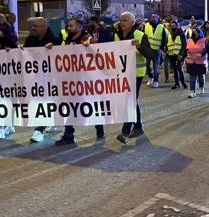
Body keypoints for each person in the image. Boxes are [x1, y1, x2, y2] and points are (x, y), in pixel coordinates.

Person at [56, 18, 106, 145]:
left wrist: (89, 48)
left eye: (71, 25)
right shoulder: (67, 40)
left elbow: (99, 54)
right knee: (71, 107)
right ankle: (68, 135)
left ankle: (99, 129)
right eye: (68, 25)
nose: (68, 28)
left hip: (86, 81)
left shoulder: (88, 39)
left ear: (79, 26)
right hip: (71, 81)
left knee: (91, 105)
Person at [115, 11, 153, 144]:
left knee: (129, 101)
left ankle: (125, 132)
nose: (122, 22)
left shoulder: (140, 35)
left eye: (125, 20)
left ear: (132, 22)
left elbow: (150, 54)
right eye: (121, 20)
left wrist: (139, 47)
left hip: (136, 74)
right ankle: (138, 127)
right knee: (131, 100)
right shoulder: (117, 35)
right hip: (122, 74)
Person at [25, 17, 63, 143]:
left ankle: (39, 129)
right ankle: (43, 126)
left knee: (47, 101)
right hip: (36, 78)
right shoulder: (30, 39)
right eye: (33, 26)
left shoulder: (55, 40)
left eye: (36, 26)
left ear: (44, 27)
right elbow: (25, 54)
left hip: (52, 78)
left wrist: (54, 49)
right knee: (40, 101)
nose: (33, 28)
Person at [144, 13, 167, 88]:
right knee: (147, 66)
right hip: (148, 50)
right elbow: (143, 36)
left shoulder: (161, 27)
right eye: (153, 17)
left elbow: (164, 39)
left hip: (157, 50)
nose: (154, 18)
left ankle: (156, 81)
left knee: (156, 67)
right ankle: (151, 77)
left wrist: (161, 48)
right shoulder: (146, 26)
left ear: (158, 19)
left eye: (156, 17)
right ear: (150, 18)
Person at [185, 23, 206, 98]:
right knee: (192, 78)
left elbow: (206, 49)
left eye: (195, 32)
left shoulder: (204, 40)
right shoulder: (189, 40)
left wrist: (201, 54)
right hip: (191, 62)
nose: (193, 33)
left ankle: (201, 87)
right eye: (192, 32)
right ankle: (192, 91)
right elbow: (186, 50)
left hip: (200, 62)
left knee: (201, 77)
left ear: (199, 33)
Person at [166, 19, 187, 89]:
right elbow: (168, 43)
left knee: (179, 69)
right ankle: (177, 83)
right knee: (174, 70)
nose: (172, 27)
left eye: (174, 25)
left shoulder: (180, 32)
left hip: (179, 54)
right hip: (171, 54)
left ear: (177, 25)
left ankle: (183, 82)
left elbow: (184, 44)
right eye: (171, 26)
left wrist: (181, 54)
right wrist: (165, 50)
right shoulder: (170, 33)